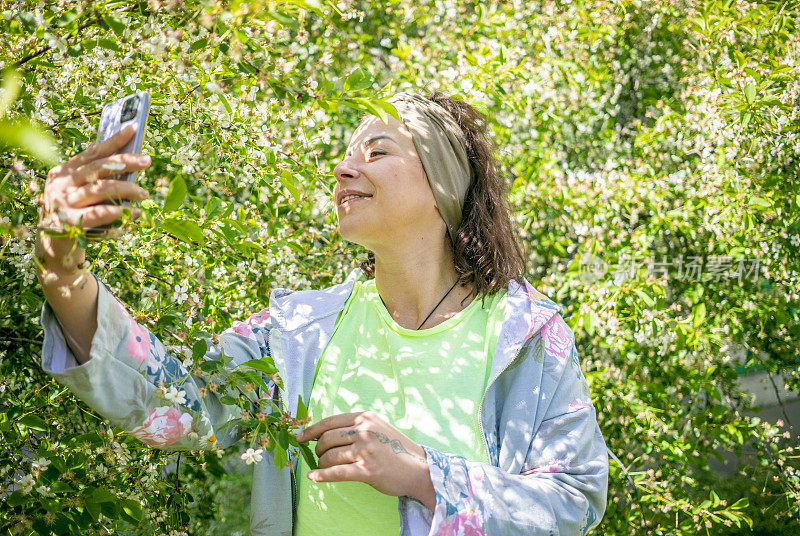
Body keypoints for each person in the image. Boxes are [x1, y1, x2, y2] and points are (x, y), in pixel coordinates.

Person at [36, 91, 609, 536]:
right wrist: (60, 263)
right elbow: (175, 399)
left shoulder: (525, 336)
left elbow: (573, 504)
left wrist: (423, 475)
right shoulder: (298, 330)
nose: (341, 169)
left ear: (443, 185)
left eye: (377, 152)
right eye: (345, 155)